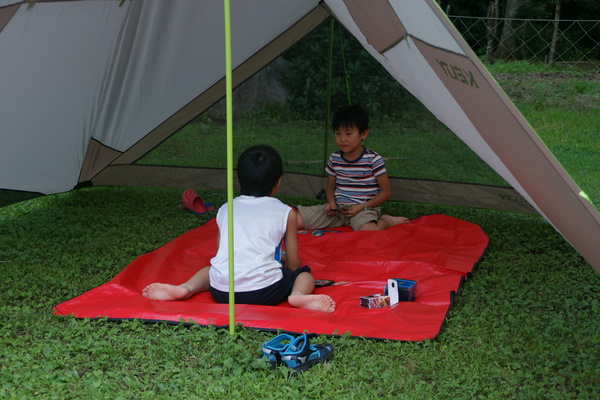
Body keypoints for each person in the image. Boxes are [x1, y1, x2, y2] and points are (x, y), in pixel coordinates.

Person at [142, 145, 336, 313]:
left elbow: (221, 252)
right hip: (265, 291)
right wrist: (284, 261)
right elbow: (293, 264)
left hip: (222, 291)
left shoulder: (226, 208)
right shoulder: (286, 212)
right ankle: (298, 296)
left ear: (240, 179)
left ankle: (186, 288)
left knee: (211, 269)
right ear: (277, 182)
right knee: (303, 274)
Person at [297, 105, 409, 231]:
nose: (342, 139)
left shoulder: (373, 159)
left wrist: (362, 206)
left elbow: (386, 192)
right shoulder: (334, 158)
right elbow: (330, 188)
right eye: (337, 133)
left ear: (363, 134)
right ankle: (346, 220)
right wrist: (331, 203)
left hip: (364, 209)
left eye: (349, 134)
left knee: (368, 231)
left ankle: (386, 221)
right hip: (338, 210)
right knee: (295, 220)